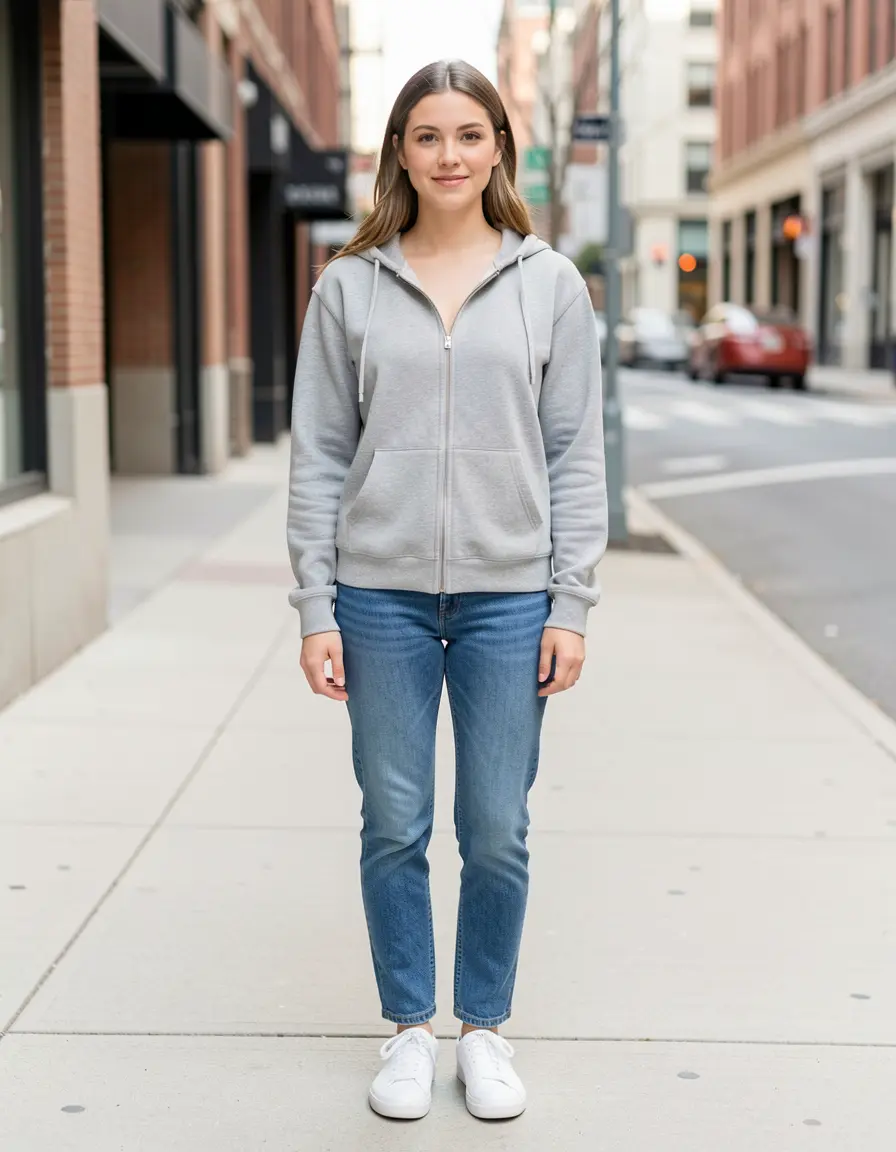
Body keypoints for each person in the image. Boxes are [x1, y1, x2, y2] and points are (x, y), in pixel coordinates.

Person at [287, 59, 607, 1122]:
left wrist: (570, 603)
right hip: (375, 593)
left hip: (509, 597)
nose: (449, 155)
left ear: (499, 150)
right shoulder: (349, 285)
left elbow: (573, 456)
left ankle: (484, 1029)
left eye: (469, 134)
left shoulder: (549, 284)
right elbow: (319, 455)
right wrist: (314, 607)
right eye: (427, 136)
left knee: (496, 826)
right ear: (399, 153)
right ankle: (407, 1031)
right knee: (392, 818)